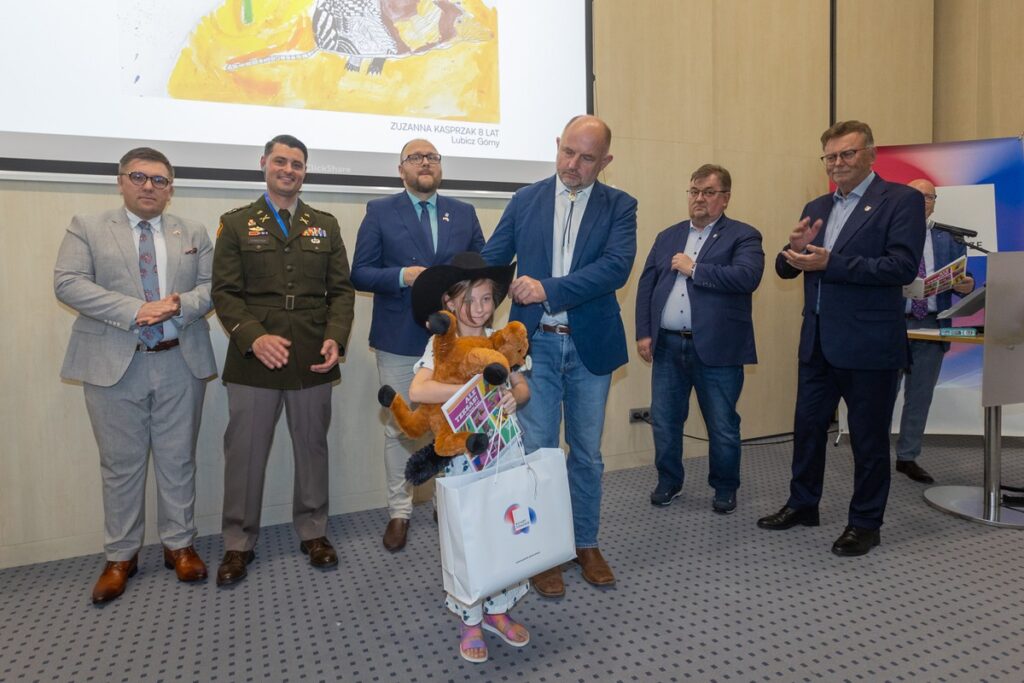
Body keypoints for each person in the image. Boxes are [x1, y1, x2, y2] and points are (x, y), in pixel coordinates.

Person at [481, 114, 638, 597]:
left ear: (605, 161)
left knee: (586, 455)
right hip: (535, 348)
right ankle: (545, 550)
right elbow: (494, 261)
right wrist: (466, 301)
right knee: (539, 452)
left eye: (587, 157)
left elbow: (614, 269)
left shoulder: (620, 207)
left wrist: (546, 287)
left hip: (590, 346)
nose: (573, 164)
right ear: (557, 145)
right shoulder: (525, 200)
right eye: (567, 151)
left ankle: (585, 542)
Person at [54, 147, 217, 603]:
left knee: (178, 458)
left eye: (160, 180)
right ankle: (121, 555)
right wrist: (135, 310)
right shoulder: (87, 226)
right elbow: (67, 282)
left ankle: (179, 545)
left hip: (178, 360)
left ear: (171, 188)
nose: (150, 186)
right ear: (121, 180)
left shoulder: (194, 231)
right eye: (139, 177)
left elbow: (212, 288)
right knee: (120, 465)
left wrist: (181, 304)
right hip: (112, 364)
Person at [757, 121, 925, 557]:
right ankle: (803, 504)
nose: (838, 163)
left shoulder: (901, 200)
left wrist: (832, 262)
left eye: (846, 154)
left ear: (870, 154)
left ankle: (866, 523)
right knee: (807, 430)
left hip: (869, 345)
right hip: (816, 341)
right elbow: (789, 268)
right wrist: (789, 250)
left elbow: (901, 268)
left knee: (868, 441)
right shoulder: (817, 204)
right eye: (830, 156)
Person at [211, 134, 355, 585]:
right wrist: (253, 339)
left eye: (296, 163)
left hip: (312, 352)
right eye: (280, 161)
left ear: (304, 171)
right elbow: (225, 294)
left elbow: (343, 292)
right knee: (245, 453)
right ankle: (238, 543)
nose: (288, 169)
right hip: (254, 357)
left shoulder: (324, 225)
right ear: (264, 164)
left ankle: (314, 532)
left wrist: (336, 338)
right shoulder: (235, 224)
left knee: (312, 447)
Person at [351, 138, 485, 552]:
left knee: (456, 423)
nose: (425, 163)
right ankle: (400, 511)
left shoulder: (464, 213)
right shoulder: (379, 211)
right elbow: (359, 273)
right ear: (401, 168)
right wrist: (400, 276)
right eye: (416, 157)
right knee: (400, 430)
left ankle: (449, 502)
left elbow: (482, 270)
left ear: (440, 167)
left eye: (432, 157)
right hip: (399, 337)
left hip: (454, 344)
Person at [406, 252, 530, 664]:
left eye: (487, 299)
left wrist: (512, 395)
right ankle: (470, 618)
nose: (480, 309)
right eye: (470, 300)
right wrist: (472, 386)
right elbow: (419, 391)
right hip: (461, 460)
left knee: (504, 528)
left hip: (502, 452)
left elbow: (522, 386)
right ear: (450, 303)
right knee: (467, 536)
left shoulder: (498, 341)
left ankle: (498, 611)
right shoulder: (441, 346)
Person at [635, 164, 764, 514]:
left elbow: (747, 277)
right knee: (665, 419)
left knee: (721, 423)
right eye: (694, 191)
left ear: (725, 198)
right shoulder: (668, 236)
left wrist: (696, 269)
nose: (699, 199)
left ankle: (724, 486)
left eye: (708, 192)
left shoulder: (744, 236)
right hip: (667, 345)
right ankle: (669, 481)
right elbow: (647, 285)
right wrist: (644, 332)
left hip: (717, 348)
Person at [894, 179, 975, 484]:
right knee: (881, 396)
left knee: (920, 396)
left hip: (932, 324)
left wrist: (965, 286)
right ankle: (871, 457)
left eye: (929, 197)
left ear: (934, 203)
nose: (922, 201)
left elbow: (961, 283)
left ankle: (908, 457)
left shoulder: (950, 238)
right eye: (916, 195)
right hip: (893, 325)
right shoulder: (889, 233)